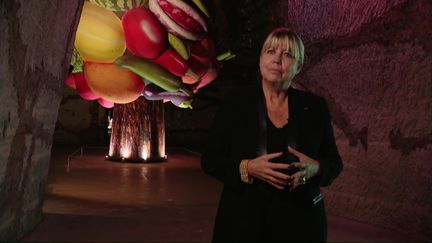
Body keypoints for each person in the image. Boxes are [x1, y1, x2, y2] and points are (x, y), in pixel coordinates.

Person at [201, 27, 343, 242]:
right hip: (243, 224)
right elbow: (210, 160)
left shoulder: (315, 107)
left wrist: (317, 168)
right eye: (270, 51)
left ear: (298, 66)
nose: (277, 59)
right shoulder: (235, 103)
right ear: (260, 59)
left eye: (287, 55)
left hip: (301, 225)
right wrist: (246, 167)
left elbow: (334, 162)